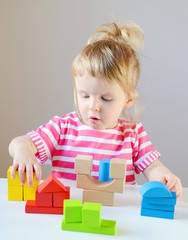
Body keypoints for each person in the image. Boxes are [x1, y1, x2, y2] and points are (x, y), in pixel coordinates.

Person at [9, 22, 182, 199]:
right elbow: (19, 143)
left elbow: (153, 167)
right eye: (84, 95)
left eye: (105, 98)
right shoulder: (62, 128)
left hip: (117, 216)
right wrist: (23, 151)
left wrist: (164, 177)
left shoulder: (133, 134)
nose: (93, 106)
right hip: (69, 215)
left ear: (128, 99)